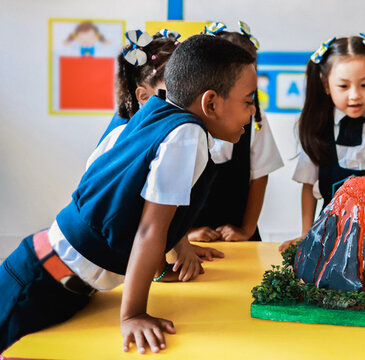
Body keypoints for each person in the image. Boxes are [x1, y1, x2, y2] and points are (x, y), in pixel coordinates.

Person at [0, 34, 257, 353]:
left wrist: (172, 256)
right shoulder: (187, 136)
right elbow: (150, 228)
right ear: (211, 103)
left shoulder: (158, 115)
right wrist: (134, 314)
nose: (253, 112)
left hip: (48, 269)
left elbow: (135, 200)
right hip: (42, 284)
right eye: (248, 101)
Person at [282, 34, 365, 250]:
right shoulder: (318, 130)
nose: (354, 95)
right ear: (326, 84)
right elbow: (309, 187)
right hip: (329, 240)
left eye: (364, 85)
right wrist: (306, 234)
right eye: (343, 86)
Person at [185, 21, 284, 243]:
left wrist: (247, 230)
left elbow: (260, 177)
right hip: (187, 237)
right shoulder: (186, 123)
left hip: (237, 234)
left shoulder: (255, 118)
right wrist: (186, 234)